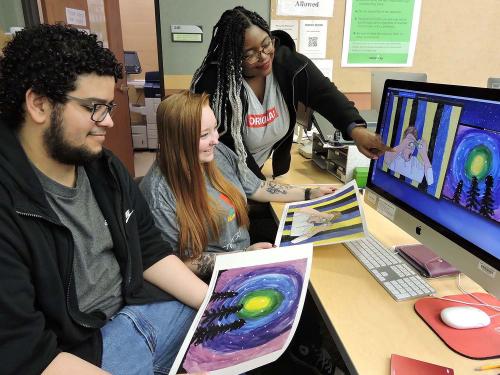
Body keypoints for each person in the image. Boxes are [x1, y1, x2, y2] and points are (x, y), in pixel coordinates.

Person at [0, 24, 208, 375]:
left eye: (108, 106)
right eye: (94, 107)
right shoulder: (9, 201)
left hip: (139, 309)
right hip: (80, 353)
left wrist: (215, 307)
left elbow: (151, 251)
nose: (108, 121)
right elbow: (27, 356)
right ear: (38, 104)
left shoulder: (104, 168)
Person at [139, 91, 337, 279]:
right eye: (203, 135)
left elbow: (257, 187)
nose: (216, 140)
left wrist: (310, 193)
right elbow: (178, 263)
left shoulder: (217, 155)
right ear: (176, 140)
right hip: (215, 274)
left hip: (246, 254)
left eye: (215, 129)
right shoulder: (158, 194)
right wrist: (242, 258)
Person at [191, 6, 391, 181]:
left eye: (266, 43)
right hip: (213, 182)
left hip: (252, 181)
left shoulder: (288, 65)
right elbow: (227, 148)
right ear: (233, 58)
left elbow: (324, 93)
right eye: (249, 54)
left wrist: (356, 130)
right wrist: (260, 188)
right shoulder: (216, 85)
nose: (263, 56)